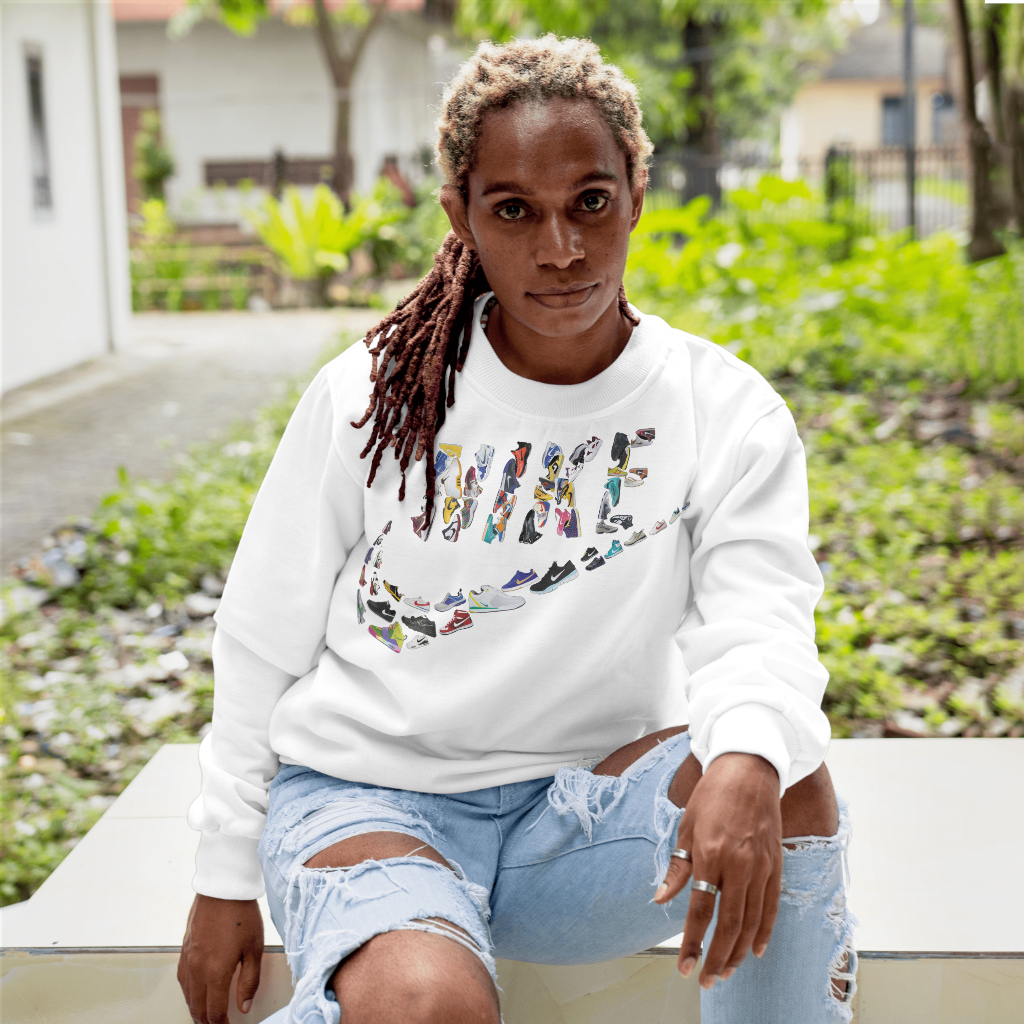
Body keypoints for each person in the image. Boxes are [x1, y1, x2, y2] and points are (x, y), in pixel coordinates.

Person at [177, 36, 856, 1024]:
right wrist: (222, 874)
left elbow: (761, 616)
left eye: (591, 201)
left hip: (576, 823)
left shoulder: (723, 408)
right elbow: (258, 639)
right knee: (432, 1007)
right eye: (514, 210)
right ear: (460, 214)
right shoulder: (372, 396)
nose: (560, 248)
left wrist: (747, 753)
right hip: (369, 806)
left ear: (637, 195)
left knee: (781, 772)